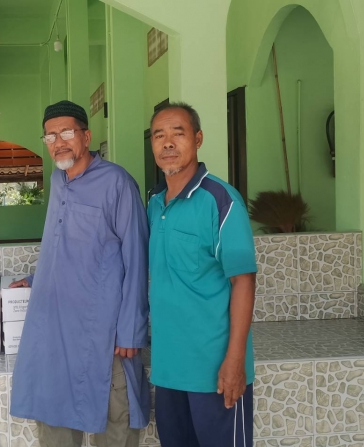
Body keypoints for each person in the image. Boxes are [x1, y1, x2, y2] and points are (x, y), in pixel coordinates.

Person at [9, 100, 150, 447]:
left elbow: (136, 257)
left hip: (105, 330)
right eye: (50, 136)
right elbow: (65, 243)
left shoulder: (117, 183)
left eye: (67, 133)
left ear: (86, 137)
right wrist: (36, 279)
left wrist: (131, 330)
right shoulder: (58, 180)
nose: (58, 142)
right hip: (57, 327)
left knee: (115, 420)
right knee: (55, 412)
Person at [146, 102, 257, 447]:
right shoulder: (154, 203)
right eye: (158, 135)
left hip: (215, 371)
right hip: (169, 370)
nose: (167, 143)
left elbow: (243, 281)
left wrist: (235, 360)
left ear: (197, 139)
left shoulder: (221, 200)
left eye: (177, 133)